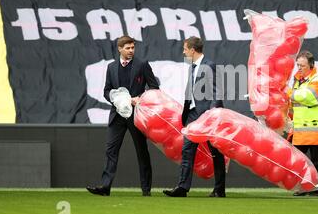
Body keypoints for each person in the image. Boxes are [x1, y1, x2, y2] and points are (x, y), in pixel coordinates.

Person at [87, 35, 160, 197]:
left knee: (142, 152)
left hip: (137, 116)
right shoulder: (111, 67)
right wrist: (116, 99)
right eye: (127, 48)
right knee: (111, 150)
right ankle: (105, 187)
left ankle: (146, 190)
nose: (131, 51)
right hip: (117, 116)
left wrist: (140, 100)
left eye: (133, 48)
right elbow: (107, 90)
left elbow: (154, 88)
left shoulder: (142, 65)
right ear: (120, 49)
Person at [163, 36, 226, 197]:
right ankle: (182, 188)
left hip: (207, 115)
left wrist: (212, 114)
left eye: (185, 49)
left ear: (192, 50)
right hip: (192, 115)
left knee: (215, 152)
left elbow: (216, 91)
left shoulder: (209, 65)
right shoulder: (192, 67)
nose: (183, 52)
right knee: (187, 150)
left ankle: (219, 189)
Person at [288, 50, 318, 196]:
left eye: (302, 66)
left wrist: (288, 93)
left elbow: (310, 97)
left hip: (316, 128)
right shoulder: (298, 81)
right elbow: (295, 104)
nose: (299, 68)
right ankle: (304, 187)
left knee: (317, 162)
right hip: (300, 129)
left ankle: (317, 190)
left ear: (311, 65)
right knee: (298, 161)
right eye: (298, 65)